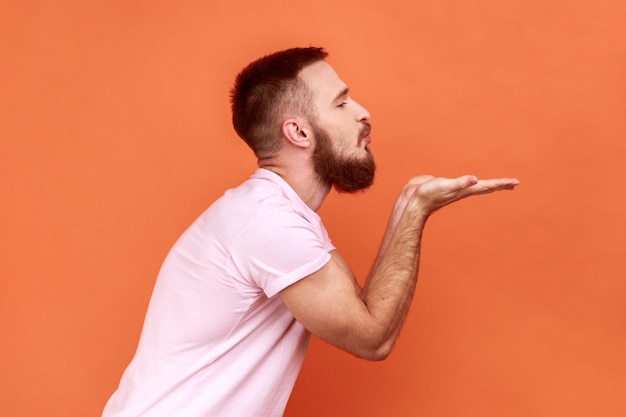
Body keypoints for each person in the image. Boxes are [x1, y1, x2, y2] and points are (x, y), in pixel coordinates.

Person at [102, 46, 519, 417]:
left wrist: (409, 202)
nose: (362, 111)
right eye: (341, 104)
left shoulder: (278, 214)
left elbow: (360, 310)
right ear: (298, 132)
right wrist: (415, 211)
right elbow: (372, 338)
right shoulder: (269, 223)